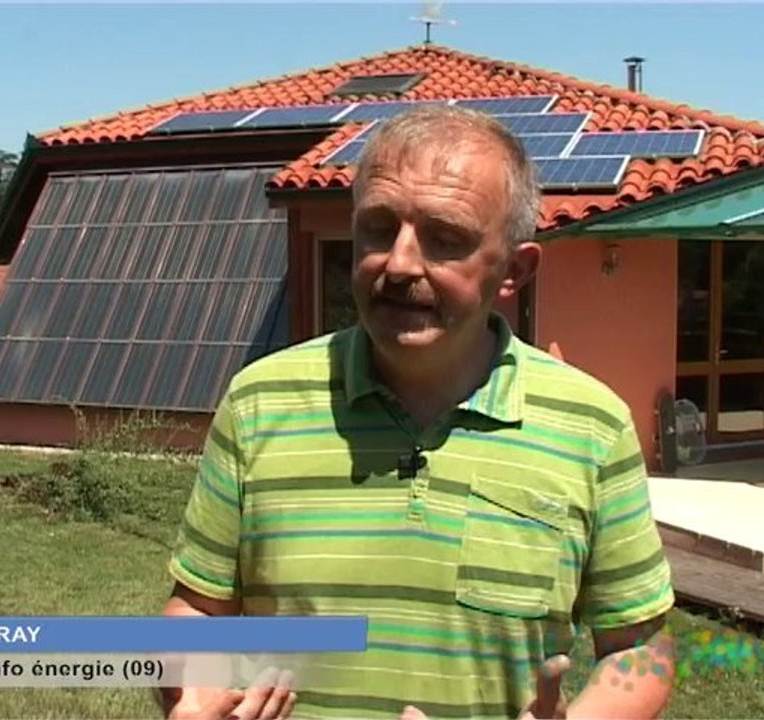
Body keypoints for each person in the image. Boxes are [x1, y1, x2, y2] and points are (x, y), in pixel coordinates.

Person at [159, 105, 676, 719]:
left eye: (445, 238)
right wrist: (193, 695)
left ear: (514, 271)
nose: (399, 265)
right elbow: (196, 609)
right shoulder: (259, 403)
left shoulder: (592, 427)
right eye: (378, 228)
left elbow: (640, 648)